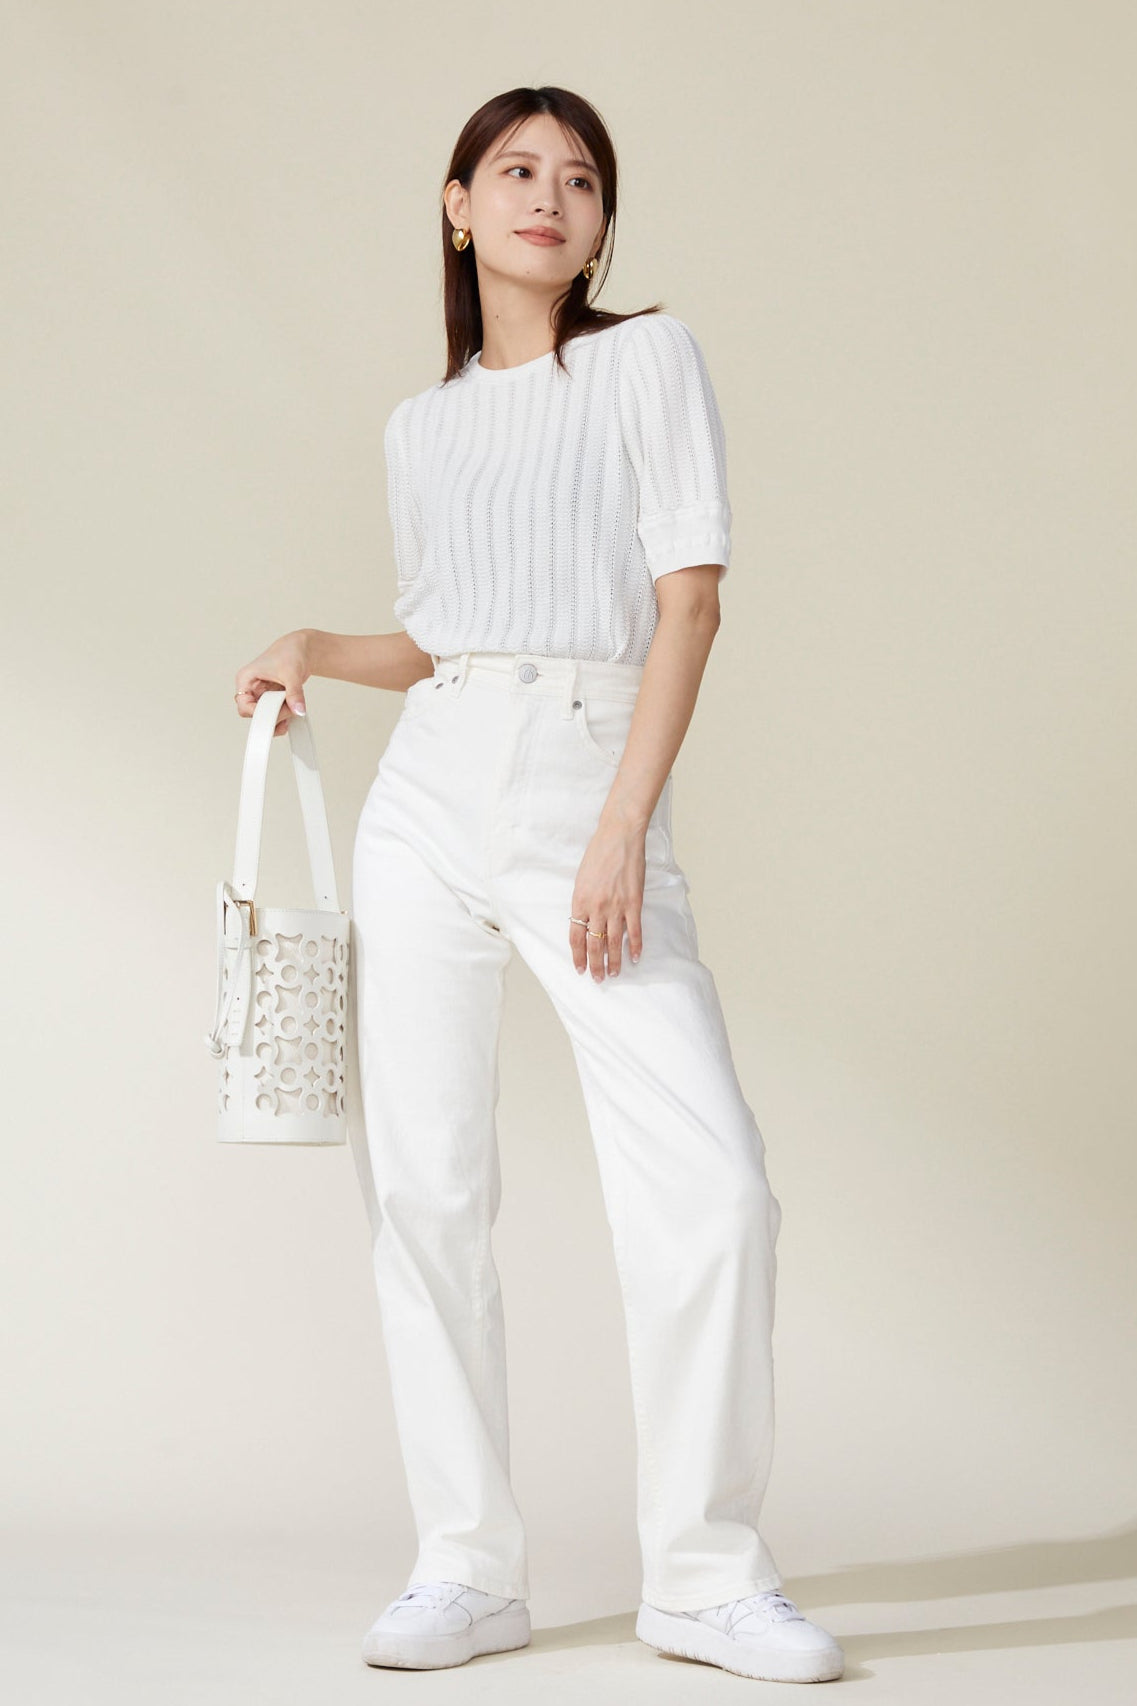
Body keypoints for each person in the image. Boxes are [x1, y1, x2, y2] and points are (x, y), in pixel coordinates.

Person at [234, 86, 844, 1686]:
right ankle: (465, 1563)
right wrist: (315, 646)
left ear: (599, 225)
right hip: (429, 791)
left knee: (711, 1185)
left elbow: (688, 603)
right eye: (515, 171)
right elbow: (443, 634)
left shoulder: (648, 360)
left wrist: (620, 825)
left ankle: (703, 1574)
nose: (548, 197)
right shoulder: (419, 426)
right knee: (424, 1187)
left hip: (589, 773)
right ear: (455, 206)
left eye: (579, 180)